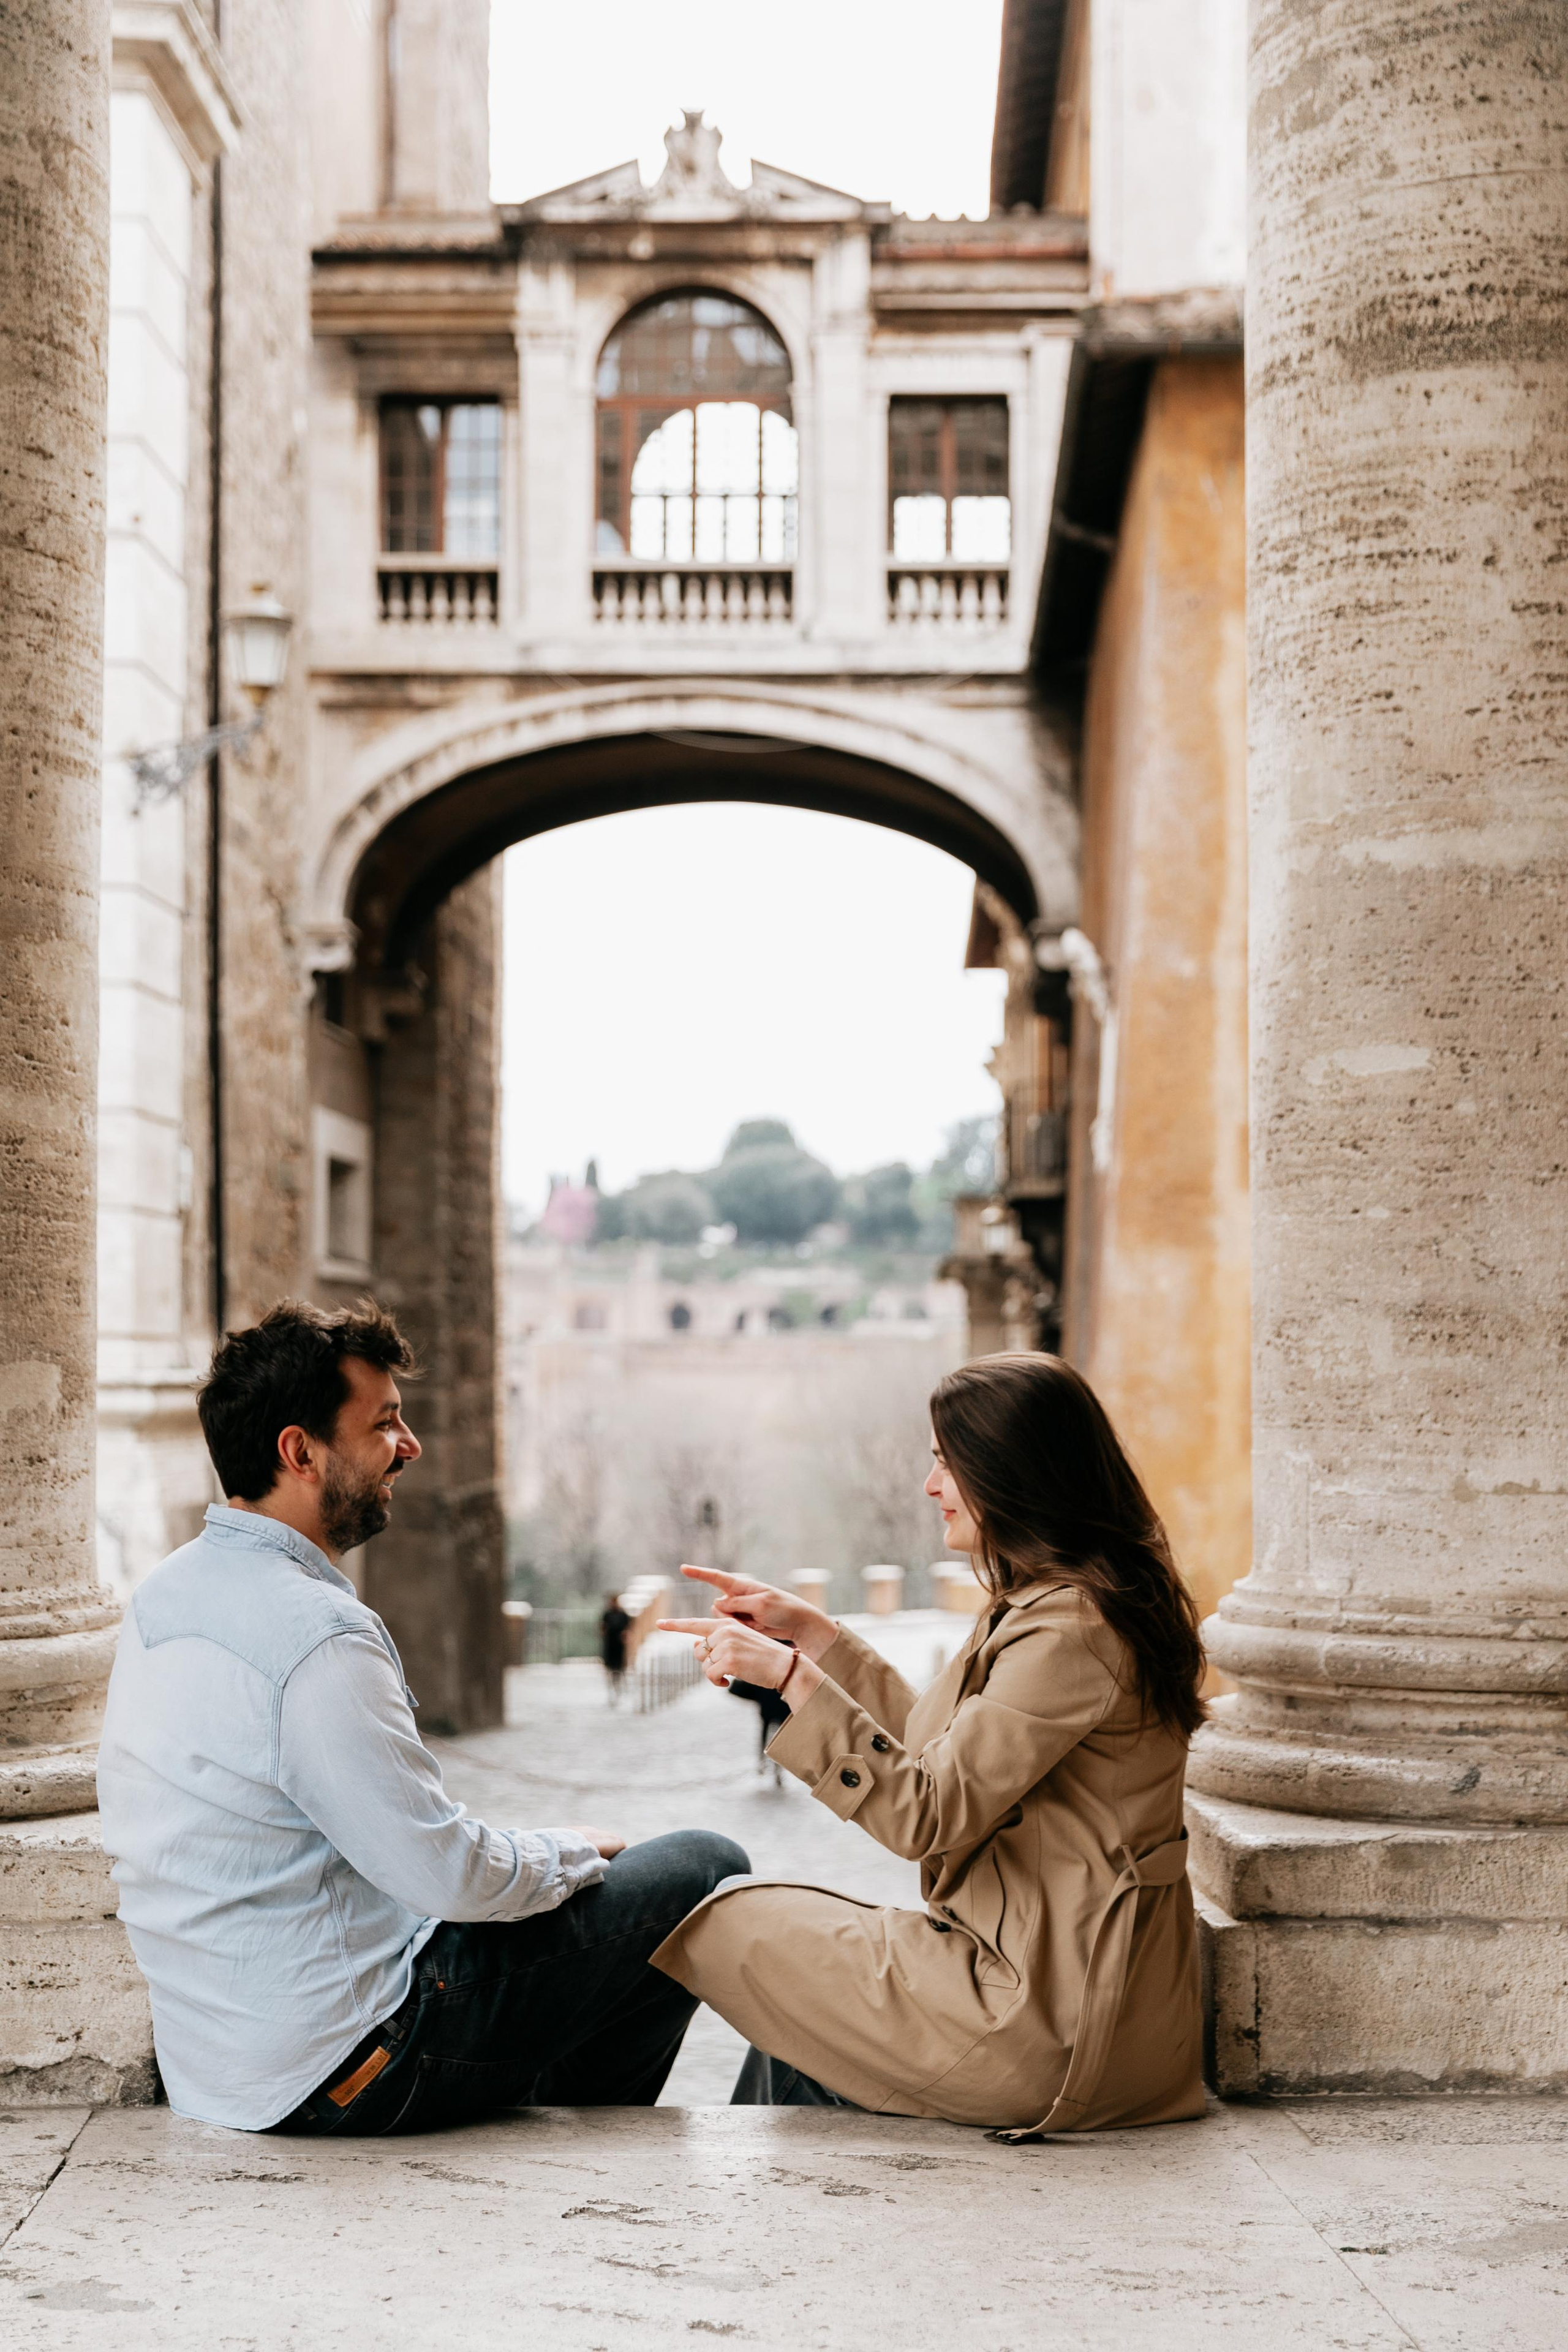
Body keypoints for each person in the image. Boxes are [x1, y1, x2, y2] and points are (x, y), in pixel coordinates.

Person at [97, 1300, 745, 2136]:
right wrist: (567, 1850)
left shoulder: (163, 1593)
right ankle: (585, 2135)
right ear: (300, 1452)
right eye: (384, 1424)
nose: (410, 1446)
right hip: (349, 2066)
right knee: (704, 1870)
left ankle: (562, 2125)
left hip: (222, 2066)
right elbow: (448, 1879)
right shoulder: (318, 1636)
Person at [654, 1352, 1207, 2138]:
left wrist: (789, 1679)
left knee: (721, 1922)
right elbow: (948, 1757)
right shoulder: (1064, 1602)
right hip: (1067, 1999)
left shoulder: (1071, 1629)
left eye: (947, 1462)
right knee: (799, 1995)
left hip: (1049, 2021)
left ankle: (600, 2144)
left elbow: (926, 1814)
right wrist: (818, 1640)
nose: (929, 1485)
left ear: (1008, 1471)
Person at [599, 1591, 631, 1705]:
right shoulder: (607, 1614)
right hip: (610, 1644)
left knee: (619, 1667)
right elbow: (602, 1627)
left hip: (619, 1645)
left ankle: (619, 1687)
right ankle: (613, 1687)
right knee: (611, 1668)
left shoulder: (623, 1615)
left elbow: (628, 1627)